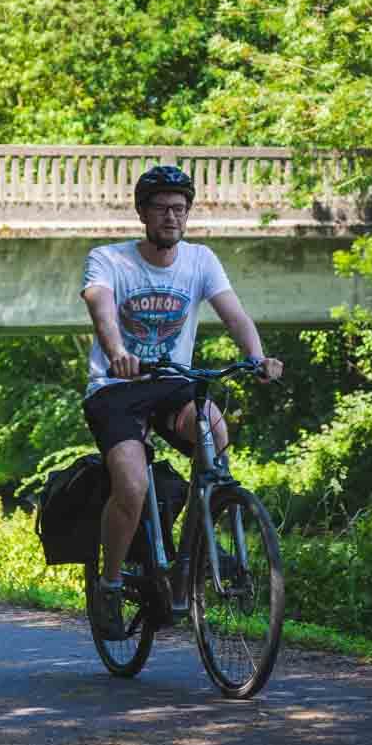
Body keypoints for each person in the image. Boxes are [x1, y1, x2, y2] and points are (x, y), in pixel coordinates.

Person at [79, 164, 284, 640]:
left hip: (173, 383)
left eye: (181, 208)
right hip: (117, 388)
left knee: (215, 432)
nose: (172, 217)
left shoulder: (200, 260)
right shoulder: (109, 259)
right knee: (130, 486)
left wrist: (257, 358)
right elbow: (100, 305)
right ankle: (108, 585)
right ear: (142, 213)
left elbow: (233, 312)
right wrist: (117, 354)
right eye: (162, 208)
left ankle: (195, 550)